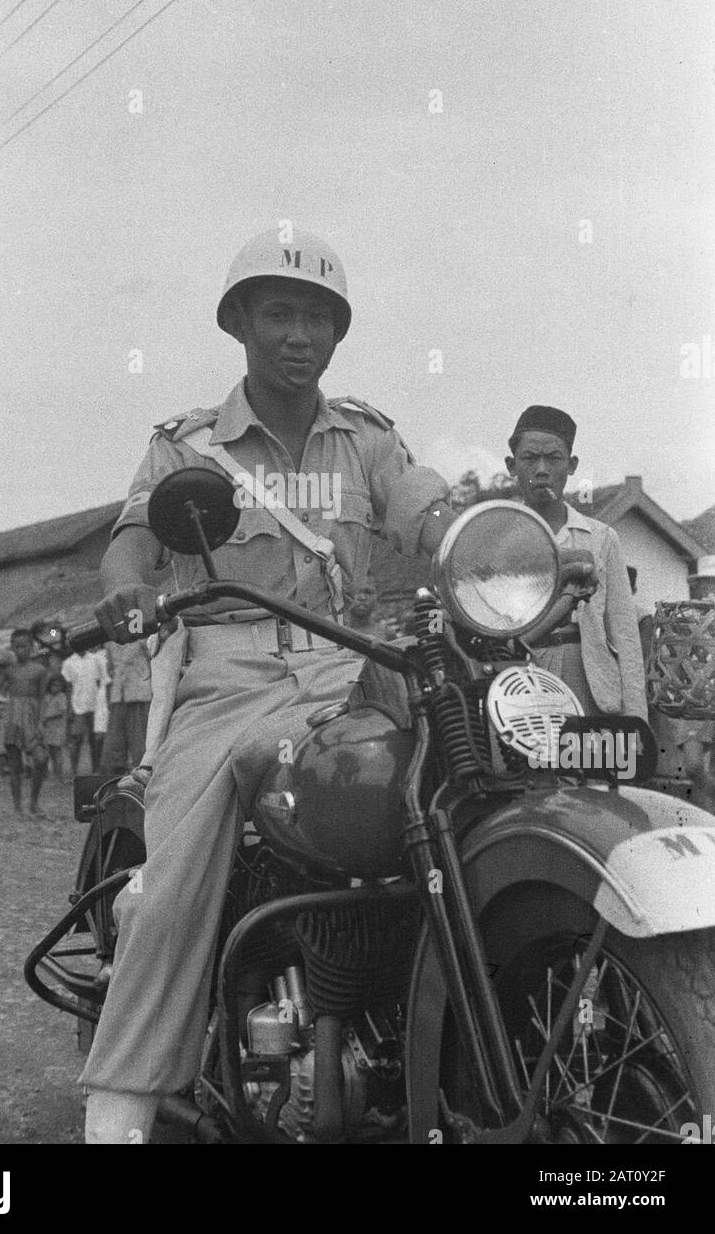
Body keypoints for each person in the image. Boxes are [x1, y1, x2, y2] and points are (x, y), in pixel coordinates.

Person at [80, 227, 456, 1142]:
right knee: (176, 879)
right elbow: (133, 536)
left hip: (351, 667)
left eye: (318, 318)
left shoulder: (366, 439)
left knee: (464, 787)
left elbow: (427, 507)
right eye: (280, 313)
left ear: (337, 334)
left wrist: (482, 541)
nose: (300, 335)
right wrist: (128, 585)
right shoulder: (187, 448)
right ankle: (119, 1106)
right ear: (240, 322)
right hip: (232, 676)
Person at [505, 405, 647, 719]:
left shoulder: (601, 538)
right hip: (516, 675)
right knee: (526, 764)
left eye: (554, 458)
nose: (542, 469)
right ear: (512, 466)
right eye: (529, 458)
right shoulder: (497, 538)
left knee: (587, 762)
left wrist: (637, 721)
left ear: (571, 465)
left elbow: (625, 635)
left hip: (588, 675)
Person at [3, 629, 49, 818]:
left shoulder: (40, 670)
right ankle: (17, 807)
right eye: (17, 646)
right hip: (13, 716)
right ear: (12, 648)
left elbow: (42, 697)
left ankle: (33, 802)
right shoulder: (9, 670)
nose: (20, 650)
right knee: (15, 765)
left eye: (24, 646)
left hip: (32, 716)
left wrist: (40, 722)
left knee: (41, 758)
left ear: (31, 647)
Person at [100, 640, 152, 775]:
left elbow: (153, 660)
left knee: (139, 735)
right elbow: (110, 667)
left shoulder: (142, 637)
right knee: (115, 735)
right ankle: (116, 770)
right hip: (119, 692)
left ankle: (142, 768)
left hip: (139, 691)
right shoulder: (110, 642)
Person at [61, 649, 101, 773]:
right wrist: (69, 708)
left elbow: (100, 683)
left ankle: (96, 770)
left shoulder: (96, 659)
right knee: (76, 740)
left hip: (95, 706)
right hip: (77, 706)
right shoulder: (68, 662)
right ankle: (74, 771)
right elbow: (68, 688)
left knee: (95, 740)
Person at [40, 673, 70, 782]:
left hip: (58, 727)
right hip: (48, 728)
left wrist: (47, 717)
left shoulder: (62, 696)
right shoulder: (47, 696)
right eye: (54, 685)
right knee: (50, 751)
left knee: (57, 750)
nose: (56, 688)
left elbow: (61, 712)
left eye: (58, 686)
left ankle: (59, 774)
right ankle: (52, 773)